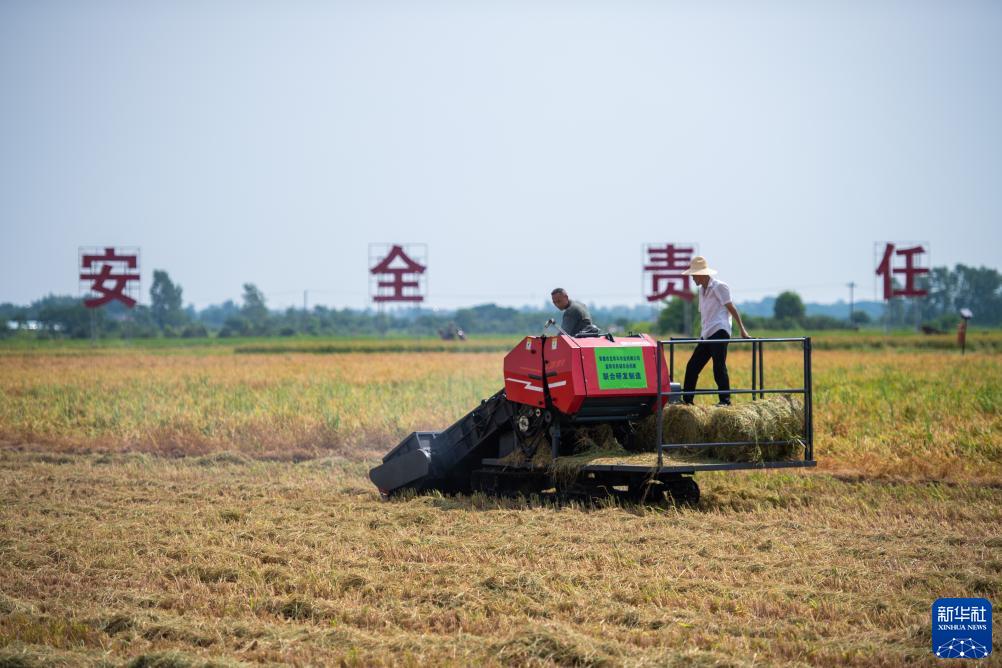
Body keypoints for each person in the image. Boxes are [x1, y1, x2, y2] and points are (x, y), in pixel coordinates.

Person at [680, 256, 750, 406]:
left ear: (702, 273)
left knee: (718, 366)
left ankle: (725, 401)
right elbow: (705, 316)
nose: (692, 278)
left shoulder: (719, 286)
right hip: (707, 333)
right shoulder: (701, 291)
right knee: (692, 366)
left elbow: (732, 308)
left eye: (693, 274)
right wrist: (701, 335)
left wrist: (742, 330)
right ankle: (687, 402)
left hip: (720, 330)